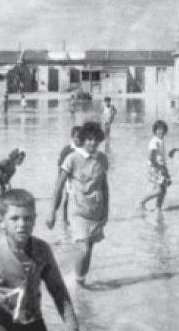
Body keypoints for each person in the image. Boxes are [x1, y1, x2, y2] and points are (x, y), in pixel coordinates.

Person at [0, 189, 79, 331]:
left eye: (27, 218)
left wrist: (72, 325)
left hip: (33, 323)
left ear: (34, 220)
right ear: (1, 222)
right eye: (14, 218)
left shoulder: (42, 250)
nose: (21, 224)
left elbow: (59, 292)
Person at [46, 122, 108, 286]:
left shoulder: (102, 159)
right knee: (84, 248)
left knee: (90, 249)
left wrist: (106, 211)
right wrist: (52, 211)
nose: (92, 143)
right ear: (83, 140)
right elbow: (59, 186)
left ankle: (80, 281)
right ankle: (77, 283)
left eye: (96, 140)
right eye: (89, 139)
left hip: (96, 211)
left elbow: (104, 186)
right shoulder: (72, 158)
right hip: (77, 212)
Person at [49, 127, 82, 226]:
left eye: (81, 137)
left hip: (78, 177)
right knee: (66, 197)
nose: (79, 139)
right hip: (66, 175)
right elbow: (60, 164)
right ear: (72, 137)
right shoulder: (67, 149)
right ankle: (65, 219)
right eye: (76, 137)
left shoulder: (83, 149)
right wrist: (60, 177)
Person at [140, 120, 171, 211]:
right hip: (155, 168)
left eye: (163, 129)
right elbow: (150, 156)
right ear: (155, 131)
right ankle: (142, 202)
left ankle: (158, 208)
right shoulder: (154, 141)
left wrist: (164, 168)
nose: (161, 131)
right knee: (159, 190)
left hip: (161, 167)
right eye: (159, 129)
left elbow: (161, 156)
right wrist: (157, 167)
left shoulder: (160, 140)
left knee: (163, 189)